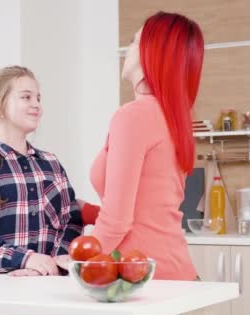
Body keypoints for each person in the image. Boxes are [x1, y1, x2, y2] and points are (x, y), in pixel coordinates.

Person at [81, 12, 205, 280]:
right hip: (176, 273)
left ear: (152, 52)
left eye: (135, 41)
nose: (127, 49)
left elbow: (117, 222)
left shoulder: (133, 116)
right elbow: (150, 207)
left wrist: (76, 263)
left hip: (146, 278)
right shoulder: (173, 116)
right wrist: (88, 212)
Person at [0, 65, 83, 276]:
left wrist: (49, 265)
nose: (36, 104)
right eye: (26, 97)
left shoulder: (51, 164)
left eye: (38, 98)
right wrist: (24, 259)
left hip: (49, 287)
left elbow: (71, 222)